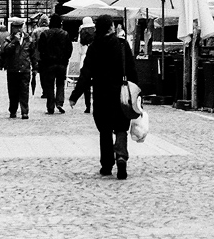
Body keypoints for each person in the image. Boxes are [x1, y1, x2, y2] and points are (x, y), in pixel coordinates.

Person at [69, 14, 138, 179]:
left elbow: (86, 73)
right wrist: (136, 94)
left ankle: (107, 165)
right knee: (121, 127)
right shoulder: (122, 44)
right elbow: (132, 70)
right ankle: (121, 157)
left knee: (105, 129)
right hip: (121, 94)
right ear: (111, 27)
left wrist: (75, 95)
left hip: (101, 94)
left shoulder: (94, 47)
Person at [35, 13, 73, 114]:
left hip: (49, 64)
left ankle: (50, 106)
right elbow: (69, 49)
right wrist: (65, 59)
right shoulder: (65, 34)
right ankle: (59, 103)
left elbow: (41, 48)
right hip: (61, 63)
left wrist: (44, 60)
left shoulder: (45, 34)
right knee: (60, 83)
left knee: (49, 85)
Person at [1, 17, 33, 119]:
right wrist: (14, 41)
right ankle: (13, 110)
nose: (18, 29)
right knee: (13, 91)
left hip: (25, 69)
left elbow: (32, 53)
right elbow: (5, 51)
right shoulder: (9, 39)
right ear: (13, 28)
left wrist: (35, 67)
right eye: (16, 27)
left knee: (24, 91)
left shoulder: (28, 38)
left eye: (20, 27)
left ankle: (25, 111)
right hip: (13, 69)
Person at [77, 17, 96, 113]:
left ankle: (88, 106)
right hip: (95, 61)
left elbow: (80, 51)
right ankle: (96, 104)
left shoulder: (82, 35)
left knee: (86, 85)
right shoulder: (96, 35)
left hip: (84, 60)